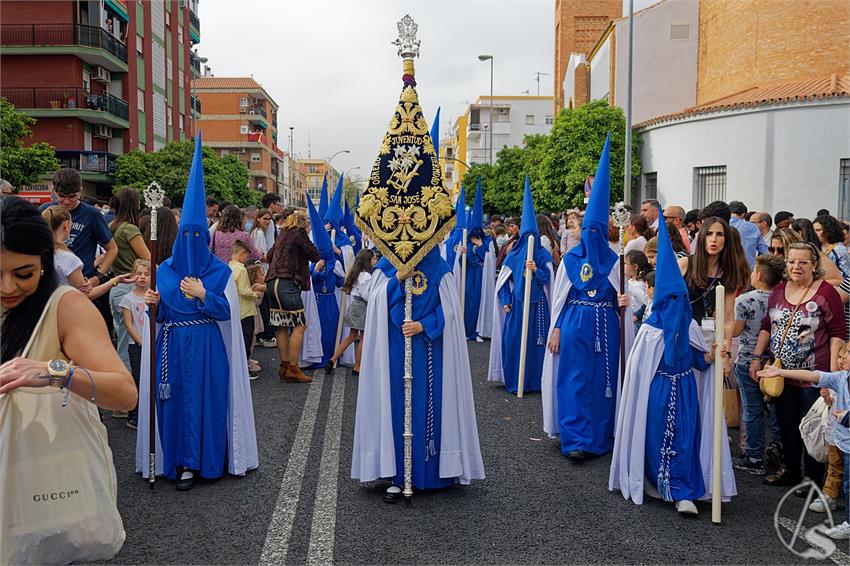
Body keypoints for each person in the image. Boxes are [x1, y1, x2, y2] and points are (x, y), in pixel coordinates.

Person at [0, 196, 136, 562]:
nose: (8, 287)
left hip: (41, 483)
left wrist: (54, 371)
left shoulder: (65, 306)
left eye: (23, 274)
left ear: (45, 264)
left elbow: (125, 393)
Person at [135, 135, 258, 490]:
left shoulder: (219, 272)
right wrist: (152, 306)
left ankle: (205, 461)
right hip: (173, 348)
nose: (190, 239)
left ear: (204, 236)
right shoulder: (166, 270)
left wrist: (205, 294)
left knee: (209, 401)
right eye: (184, 233)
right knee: (173, 404)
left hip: (207, 347)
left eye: (195, 233)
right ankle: (178, 461)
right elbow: (158, 318)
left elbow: (227, 314)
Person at [609, 202, 736, 515]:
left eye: (681, 298)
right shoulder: (650, 331)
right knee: (656, 437)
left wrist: (715, 352)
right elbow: (640, 372)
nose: (676, 303)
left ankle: (683, 490)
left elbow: (698, 358)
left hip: (687, 391)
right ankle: (661, 484)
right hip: (659, 391)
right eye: (671, 298)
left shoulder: (689, 325)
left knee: (686, 440)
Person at [351, 247, 485, 501]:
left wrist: (424, 324)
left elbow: (450, 309)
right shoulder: (387, 266)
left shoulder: (438, 266)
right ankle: (396, 474)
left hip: (428, 350)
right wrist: (398, 280)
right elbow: (376, 300)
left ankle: (430, 473)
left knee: (426, 407)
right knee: (396, 408)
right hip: (394, 349)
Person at [541, 135, 632, 460]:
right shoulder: (570, 260)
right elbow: (561, 299)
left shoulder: (614, 260)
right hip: (575, 323)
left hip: (606, 324)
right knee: (574, 381)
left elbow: (624, 295)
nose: (591, 236)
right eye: (587, 229)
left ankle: (600, 438)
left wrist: (624, 302)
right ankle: (576, 439)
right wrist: (557, 328)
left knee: (604, 381)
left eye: (597, 230)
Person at [750, 242, 846, 487]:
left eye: (803, 262)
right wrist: (756, 357)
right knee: (786, 425)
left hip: (814, 375)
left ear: (814, 265)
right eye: (792, 261)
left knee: (811, 426)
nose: (796, 266)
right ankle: (790, 469)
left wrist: (834, 374)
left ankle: (812, 477)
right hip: (781, 373)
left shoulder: (826, 293)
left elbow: (837, 332)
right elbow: (765, 326)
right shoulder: (779, 290)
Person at [756, 362, 850, 540]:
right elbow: (813, 375)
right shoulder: (841, 378)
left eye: (848, 353)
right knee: (848, 485)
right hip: (845, 444)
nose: (843, 356)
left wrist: (846, 417)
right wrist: (780, 372)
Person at [488, 178, 554, 395]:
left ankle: (535, 382)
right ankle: (516, 380)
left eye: (533, 235)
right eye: (527, 236)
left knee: (537, 344)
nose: (530, 239)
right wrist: (506, 301)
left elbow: (548, 279)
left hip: (538, 307)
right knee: (514, 341)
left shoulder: (543, 254)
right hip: (518, 304)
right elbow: (503, 282)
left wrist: (536, 269)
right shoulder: (514, 254)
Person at [732, 254, 786, 475]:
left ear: (760, 275)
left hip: (748, 359)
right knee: (775, 409)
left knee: (752, 410)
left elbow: (736, 331)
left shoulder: (745, 300)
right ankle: (776, 450)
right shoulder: (783, 297)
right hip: (774, 361)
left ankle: (754, 455)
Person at [266, 211, 323, 383]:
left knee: (281, 325)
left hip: (271, 282)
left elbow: (269, 256)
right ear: (303, 222)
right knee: (300, 325)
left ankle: (284, 366)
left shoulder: (282, 234)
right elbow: (314, 254)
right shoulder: (299, 233)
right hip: (288, 283)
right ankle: (293, 367)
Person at [39, 169, 118, 288]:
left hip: (82, 282)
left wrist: (97, 277)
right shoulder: (45, 211)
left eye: (72, 196)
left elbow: (112, 249)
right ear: (54, 191)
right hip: (50, 283)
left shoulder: (92, 214)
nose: (66, 202)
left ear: (81, 190)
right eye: (61, 196)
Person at [108, 187, 151, 382]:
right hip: (132, 287)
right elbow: (147, 258)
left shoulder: (112, 226)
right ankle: (128, 394)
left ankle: (122, 393)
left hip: (117, 286)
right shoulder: (130, 229)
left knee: (122, 340)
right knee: (129, 344)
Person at [456, 180, 495, 342]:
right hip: (469, 275)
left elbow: (489, 260)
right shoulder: (465, 240)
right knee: (467, 303)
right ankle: (467, 330)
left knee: (479, 302)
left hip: (481, 276)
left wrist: (480, 247)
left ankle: (479, 330)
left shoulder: (488, 242)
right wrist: (462, 254)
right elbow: (459, 263)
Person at [327, 249, 375, 373]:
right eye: (374, 259)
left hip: (354, 305)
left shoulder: (356, 273)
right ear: (367, 262)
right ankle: (357, 366)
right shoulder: (367, 276)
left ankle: (332, 359)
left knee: (351, 336)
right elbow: (365, 295)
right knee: (363, 337)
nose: (376, 261)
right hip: (362, 306)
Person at [119, 259, 151, 429]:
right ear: (132, 276)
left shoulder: (154, 295)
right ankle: (135, 416)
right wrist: (141, 342)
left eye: (147, 274)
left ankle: (150, 414)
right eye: (138, 274)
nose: (142, 277)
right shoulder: (128, 299)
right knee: (138, 379)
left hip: (154, 345)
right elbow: (128, 324)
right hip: (136, 346)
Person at [229, 240, 262, 380]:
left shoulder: (229, 267)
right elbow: (244, 291)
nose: (246, 259)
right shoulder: (241, 269)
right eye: (246, 256)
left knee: (238, 340)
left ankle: (238, 367)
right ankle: (245, 369)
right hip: (246, 310)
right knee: (247, 340)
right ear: (242, 254)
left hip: (236, 310)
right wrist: (255, 294)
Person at [42, 205, 89, 291]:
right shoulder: (67, 258)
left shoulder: (38, 252)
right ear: (66, 225)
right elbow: (84, 293)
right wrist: (113, 282)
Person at [815, 214, 850, 279]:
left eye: (818, 230)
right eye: (814, 230)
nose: (815, 233)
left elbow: (846, 273)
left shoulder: (838, 249)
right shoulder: (818, 246)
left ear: (828, 230)